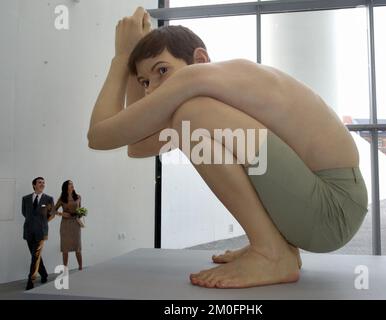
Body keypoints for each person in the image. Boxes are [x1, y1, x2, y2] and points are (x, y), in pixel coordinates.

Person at [87, 7, 368, 288]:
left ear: (200, 59)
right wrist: (134, 65)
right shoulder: (220, 99)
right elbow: (137, 145)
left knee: (190, 113)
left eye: (162, 70)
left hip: (333, 207)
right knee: (187, 116)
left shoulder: (199, 79)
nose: (152, 89)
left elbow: (99, 136)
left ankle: (271, 252)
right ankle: (275, 245)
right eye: (145, 82)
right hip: (314, 209)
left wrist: (122, 57)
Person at [22, 177, 55, 290]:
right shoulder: (25, 198)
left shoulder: (49, 199)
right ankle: (44, 274)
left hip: (41, 232)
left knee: (35, 256)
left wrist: (43, 222)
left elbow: (52, 214)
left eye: (43, 182)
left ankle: (31, 280)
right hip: (28, 231)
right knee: (35, 256)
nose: (42, 184)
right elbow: (24, 213)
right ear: (34, 185)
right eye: (39, 182)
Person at [53, 180, 84, 270]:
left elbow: (80, 209)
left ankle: (80, 268)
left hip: (76, 224)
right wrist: (62, 214)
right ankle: (65, 270)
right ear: (66, 186)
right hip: (65, 225)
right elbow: (53, 210)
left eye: (72, 184)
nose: (72, 185)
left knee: (77, 247)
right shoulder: (62, 198)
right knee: (65, 249)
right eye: (70, 184)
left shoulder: (78, 197)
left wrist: (81, 213)